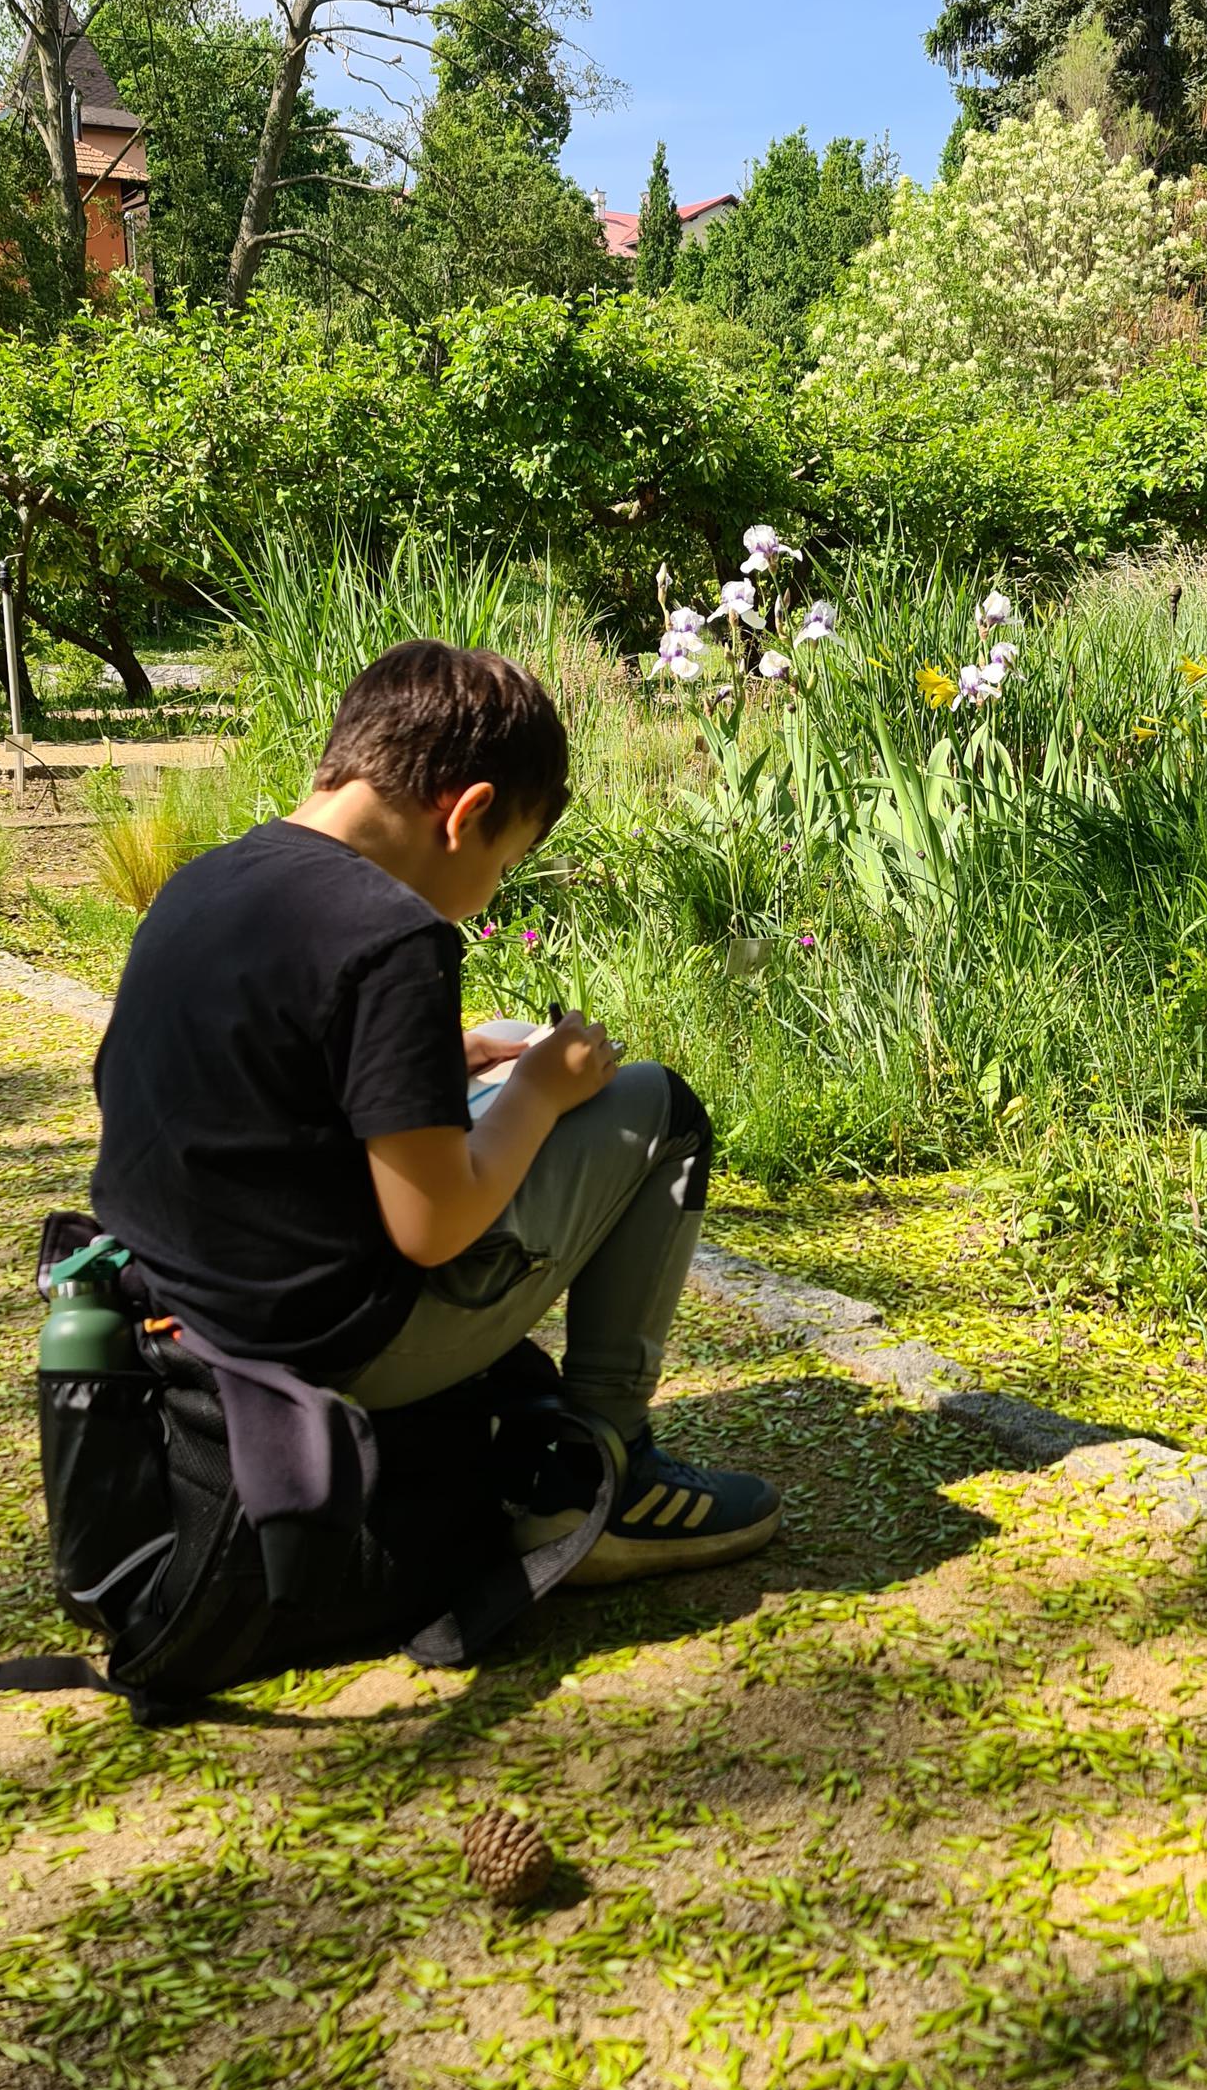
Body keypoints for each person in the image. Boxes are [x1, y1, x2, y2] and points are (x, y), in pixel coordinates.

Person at [89, 638, 781, 1588]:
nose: (495, 889)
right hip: (329, 1348)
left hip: (189, 1315)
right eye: (510, 859)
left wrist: (450, 1056)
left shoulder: (207, 882)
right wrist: (541, 1086)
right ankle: (601, 1478)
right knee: (657, 1106)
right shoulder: (394, 934)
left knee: (496, 1091)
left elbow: (253, 1077)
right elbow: (430, 1227)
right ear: (470, 813)